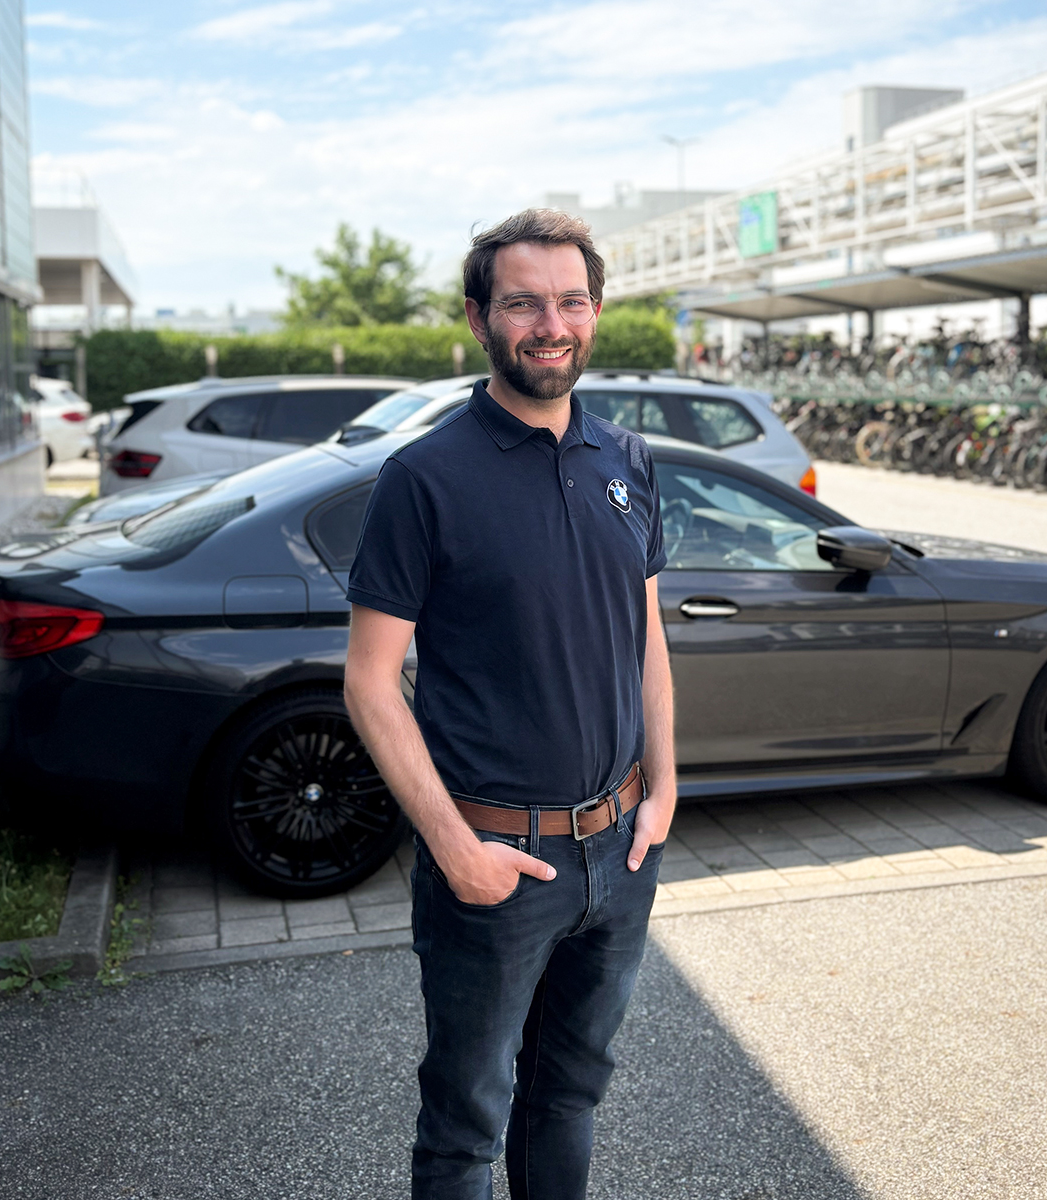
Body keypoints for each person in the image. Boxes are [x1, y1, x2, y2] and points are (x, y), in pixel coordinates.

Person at [343, 207, 676, 1200]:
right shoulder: (423, 477)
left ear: (596, 311)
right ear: (478, 318)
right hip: (492, 864)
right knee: (465, 1128)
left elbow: (646, 640)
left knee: (568, 1097)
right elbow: (369, 681)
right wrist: (454, 850)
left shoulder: (628, 460)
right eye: (524, 303)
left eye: (571, 301)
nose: (551, 325)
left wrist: (663, 793)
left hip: (620, 855)